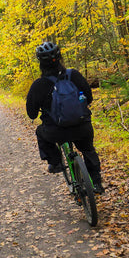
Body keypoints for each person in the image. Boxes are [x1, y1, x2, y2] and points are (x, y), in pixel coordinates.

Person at [26, 42, 104, 194]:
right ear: (60, 57)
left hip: (56, 131)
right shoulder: (73, 75)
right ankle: (96, 183)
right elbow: (89, 97)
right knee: (88, 149)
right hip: (82, 126)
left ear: (40, 63)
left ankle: (55, 163)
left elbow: (32, 114)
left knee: (40, 132)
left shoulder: (38, 85)